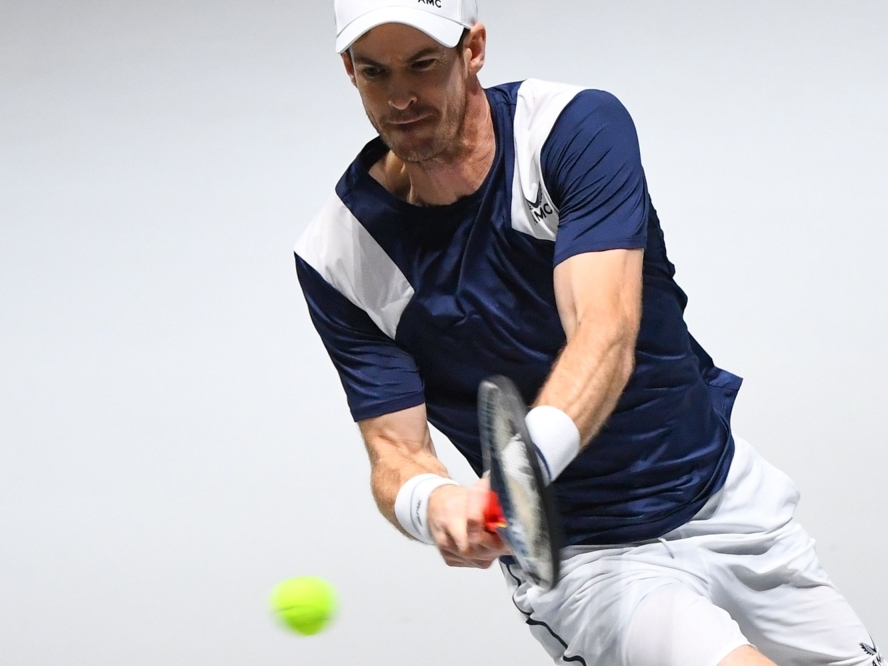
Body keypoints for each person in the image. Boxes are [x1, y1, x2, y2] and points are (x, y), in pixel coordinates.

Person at [293, 1, 879, 664]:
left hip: (722, 495)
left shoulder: (569, 130)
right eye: (375, 73)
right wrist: (436, 503)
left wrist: (517, 474)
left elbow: (603, 332)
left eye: (423, 65)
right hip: (588, 563)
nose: (400, 97)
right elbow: (395, 455)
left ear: (473, 50)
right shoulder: (341, 256)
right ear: (350, 70)